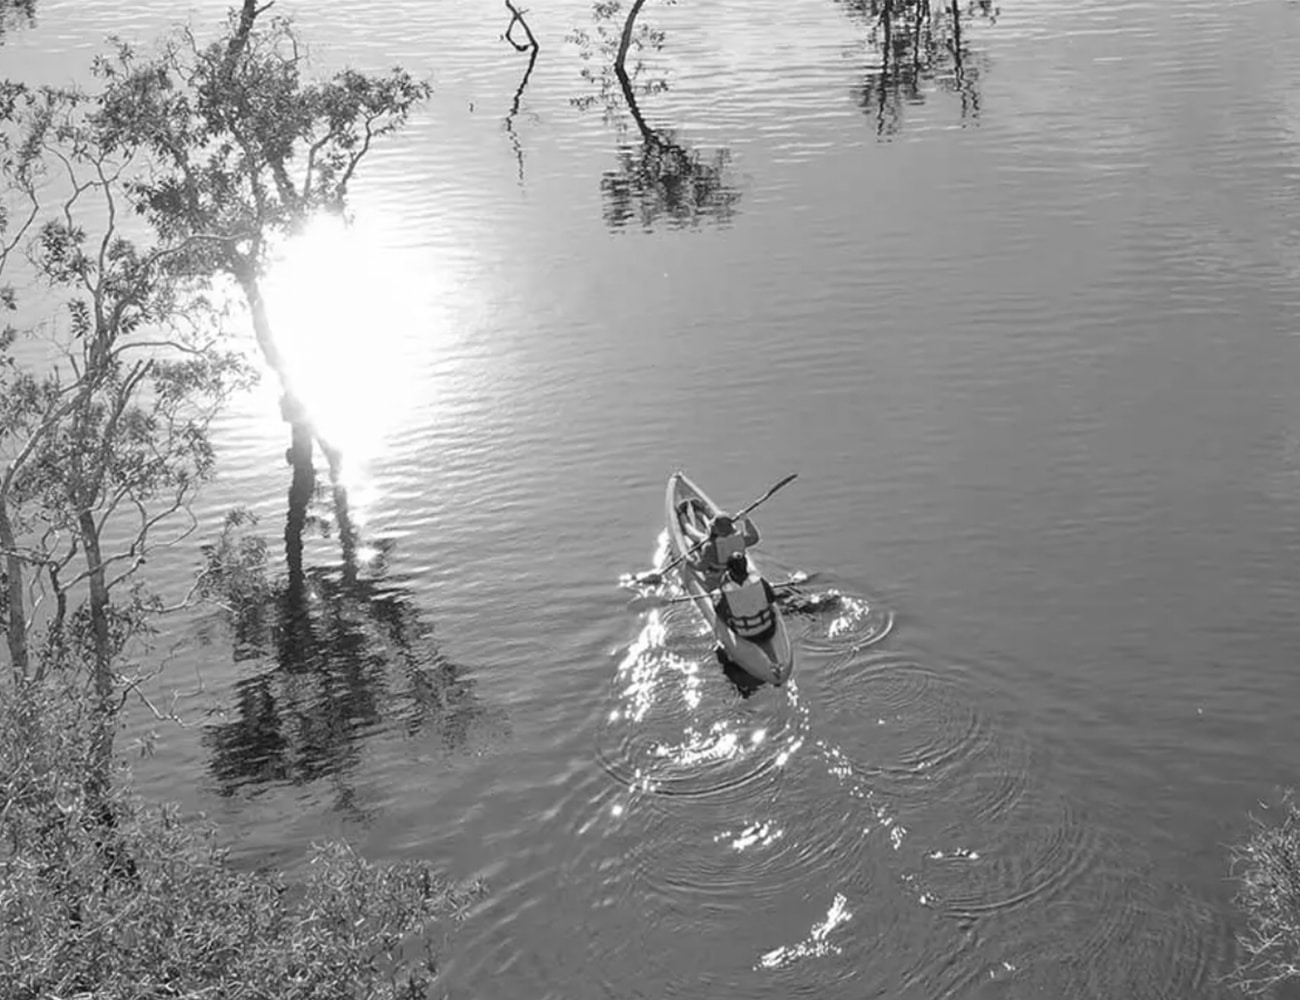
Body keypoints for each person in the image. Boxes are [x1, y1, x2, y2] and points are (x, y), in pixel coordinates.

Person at [714, 552, 778, 645]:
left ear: (730, 569)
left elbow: (720, 611)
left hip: (746, 634)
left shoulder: (727, 588)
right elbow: (772, 599)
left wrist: (717, 597)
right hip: (769, 629)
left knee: (716, 603)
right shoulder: (759, 580)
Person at [698, 512, 760, 580]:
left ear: (715, 530)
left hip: (717, 571)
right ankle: (701, 515)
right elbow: (754, 538)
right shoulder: (740, 539)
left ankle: (690, 522)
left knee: (700, 538)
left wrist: (689, 559)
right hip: (737, 568)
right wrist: (746, 520)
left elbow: (701, 567)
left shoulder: (709, 546)